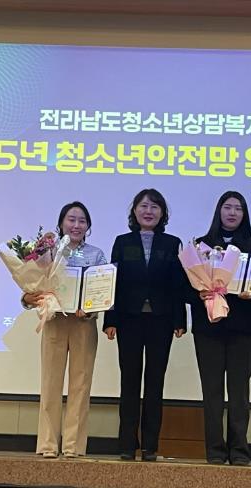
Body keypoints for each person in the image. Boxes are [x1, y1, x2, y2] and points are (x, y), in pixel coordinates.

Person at [187, 190, 251, 466]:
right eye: (227, 207)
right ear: (219, 211)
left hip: (243, 328)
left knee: (239, 392)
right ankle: (215, 451)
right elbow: (184, 287)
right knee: (212, 391)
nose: (232, 213)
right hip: (209, 329)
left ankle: (239, 450)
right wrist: (200, 293)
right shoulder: (201, 246)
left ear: (245, 214)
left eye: (238, 208)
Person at [103, 188, 186, 462]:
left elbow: (177, 285)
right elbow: (113, 282)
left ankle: (150, 445)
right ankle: (127, 444)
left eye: (154, 207)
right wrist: (110, 320)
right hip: (129, 319)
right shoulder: (122, 241)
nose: (148, 211)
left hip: (162, 320)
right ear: (135, 211)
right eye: (143, 206)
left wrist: (180, 320)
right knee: (129, 381)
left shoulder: (172, 243)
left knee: (155, 382)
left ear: (162, 213)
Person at [23, 202, 107, 459]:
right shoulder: (46, 253)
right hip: (54, 321)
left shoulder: (96, 255)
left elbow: (103, 290)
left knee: (81, 384)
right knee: (50, 383)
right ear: (61, 223)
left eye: (82, 221)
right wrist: (30, 298)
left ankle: (73, 446)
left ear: (88, 226)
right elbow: (30, 289)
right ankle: (48, 444)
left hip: (83, 324)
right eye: (71, 219)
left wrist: (90, 308)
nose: (76, 225)